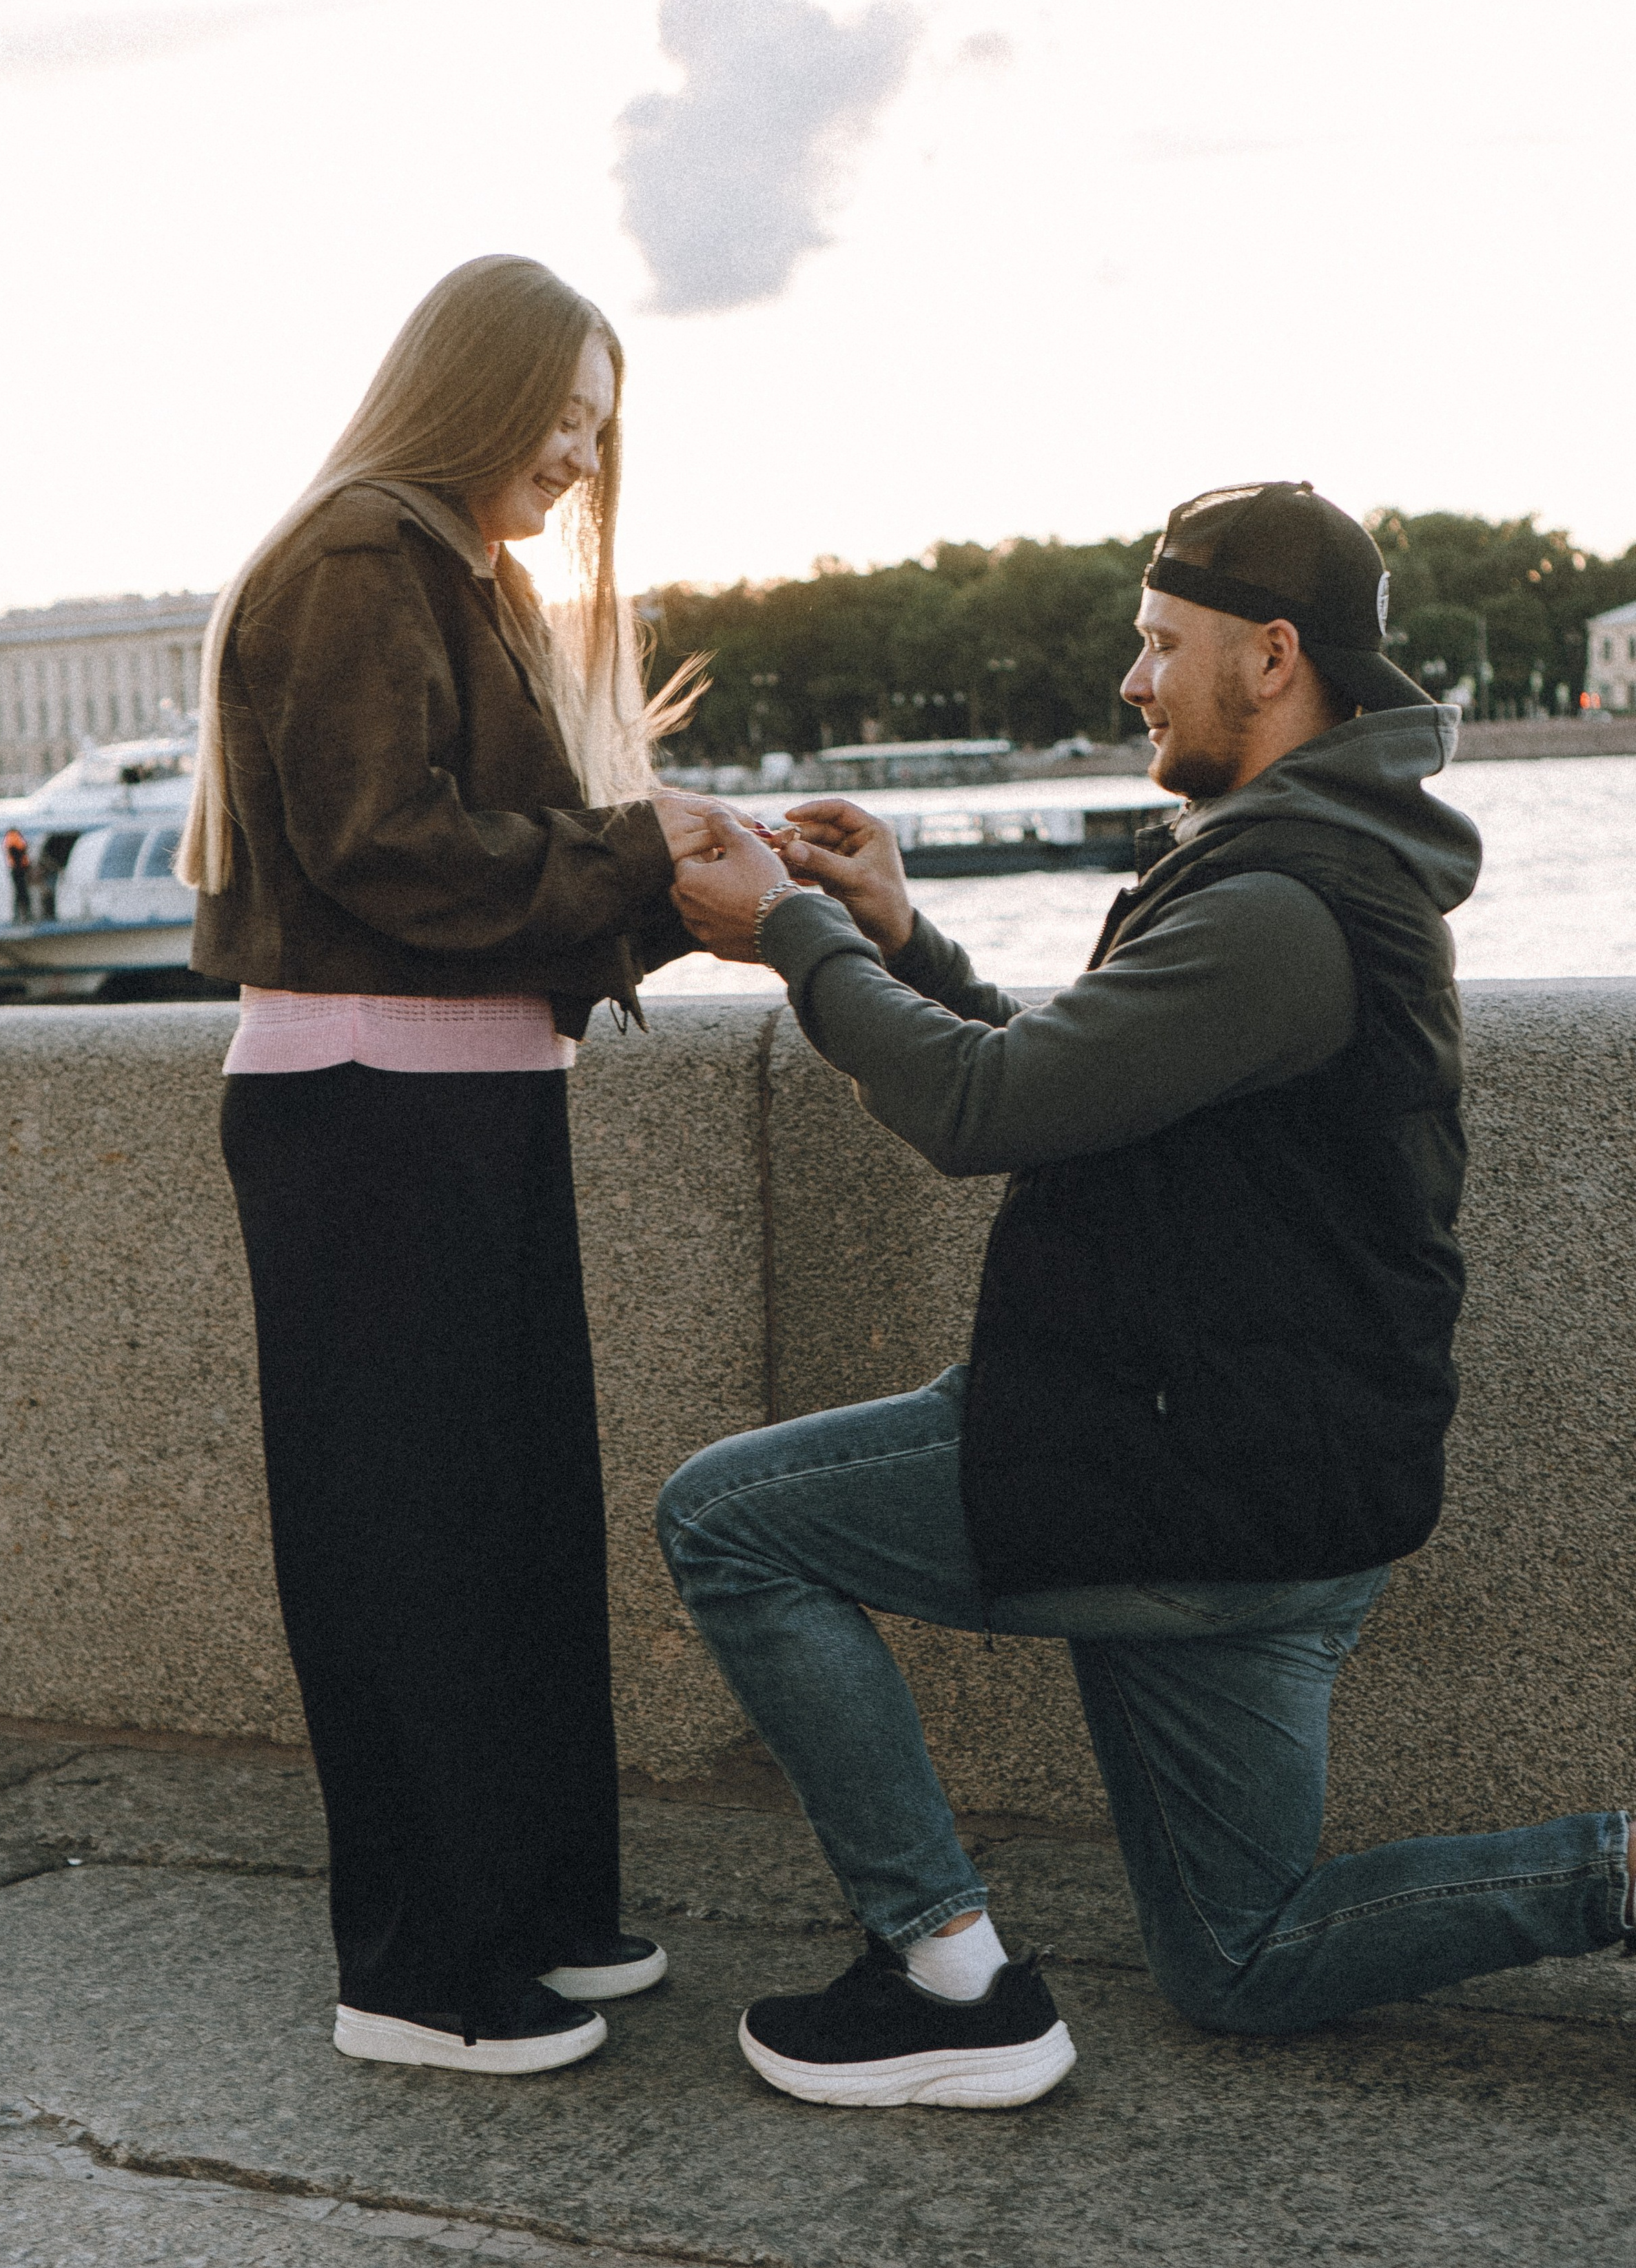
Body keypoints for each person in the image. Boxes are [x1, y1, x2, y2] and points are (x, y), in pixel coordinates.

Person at [660, 480, 1635, 2110]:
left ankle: (943, 1980)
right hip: (1275, 1491)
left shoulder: (1275, 905)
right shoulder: (1304, 866)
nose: (1128, 681)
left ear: (1268, 657)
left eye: (1155, 644)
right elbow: (1076, 1077)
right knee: (1238, 1962)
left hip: (1176, 1478)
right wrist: (899, 943)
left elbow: (983, 1115)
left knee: (728, 1522)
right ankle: (1610, 1876)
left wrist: (795, 936)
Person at [183, 254, 722, 2078]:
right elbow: (392, 847)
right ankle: (418, 1974)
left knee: (507, 1527)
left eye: (597, 424)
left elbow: (476, 857)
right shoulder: (358, 559)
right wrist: (646, 864)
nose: (580, 454)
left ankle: (533, 1912)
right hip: (375, 1122)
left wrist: (672, 862)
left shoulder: (435, 566)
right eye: (560, 415)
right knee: (411, 1547)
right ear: (470, 392)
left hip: (450, 1108)